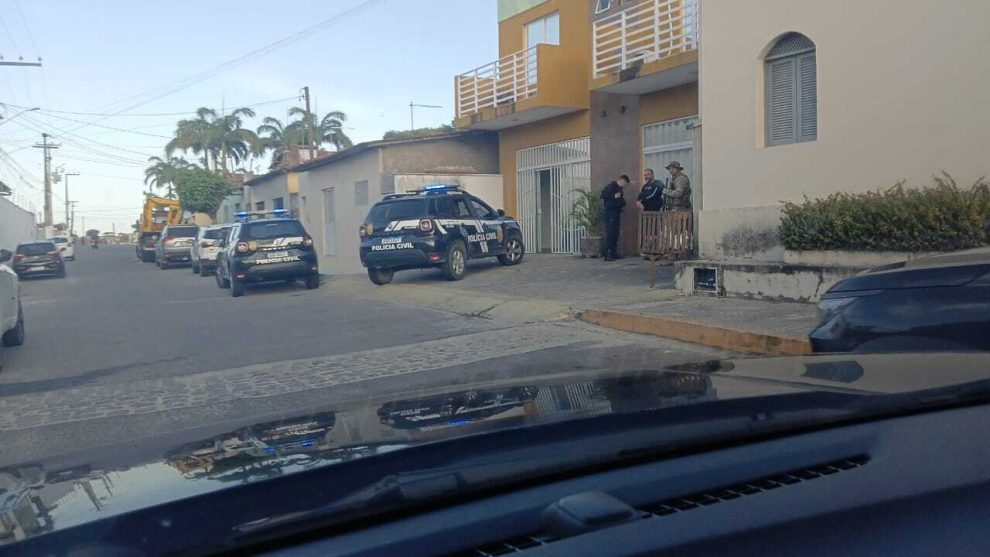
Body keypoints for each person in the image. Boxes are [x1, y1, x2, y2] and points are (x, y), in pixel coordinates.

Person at [599, 175, 628, 261]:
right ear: (622, 180)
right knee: (610, 234)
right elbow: (603, 195)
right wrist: (613, 196)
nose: (625, 185)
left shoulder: (620, 189)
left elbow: (621, 200)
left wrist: (622, 202)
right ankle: (607, 254)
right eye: (625, 183)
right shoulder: (610, 187)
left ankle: (613, 253)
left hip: (616, 213)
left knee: (615, 234)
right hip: (610, 213)